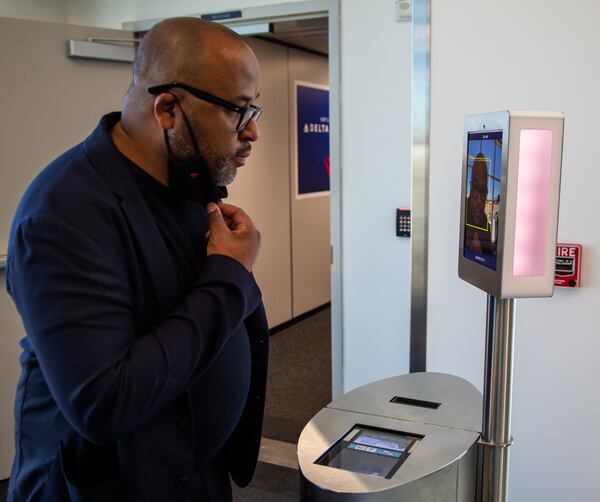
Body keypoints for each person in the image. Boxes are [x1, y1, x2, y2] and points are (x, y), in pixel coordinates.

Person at [6, 17, 268, 502]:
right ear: (168, 108)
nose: (250, 133)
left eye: (253, 111)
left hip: (192, 470)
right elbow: (104, 401)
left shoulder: (184, 181)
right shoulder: (64, 214)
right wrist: (231, 273)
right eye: (237, 111)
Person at [465, 152, 492, 255]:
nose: (480, 200)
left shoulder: (485, 222)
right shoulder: (460, 213)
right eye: (476, 187)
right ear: (471, 186)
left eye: (484, 190)